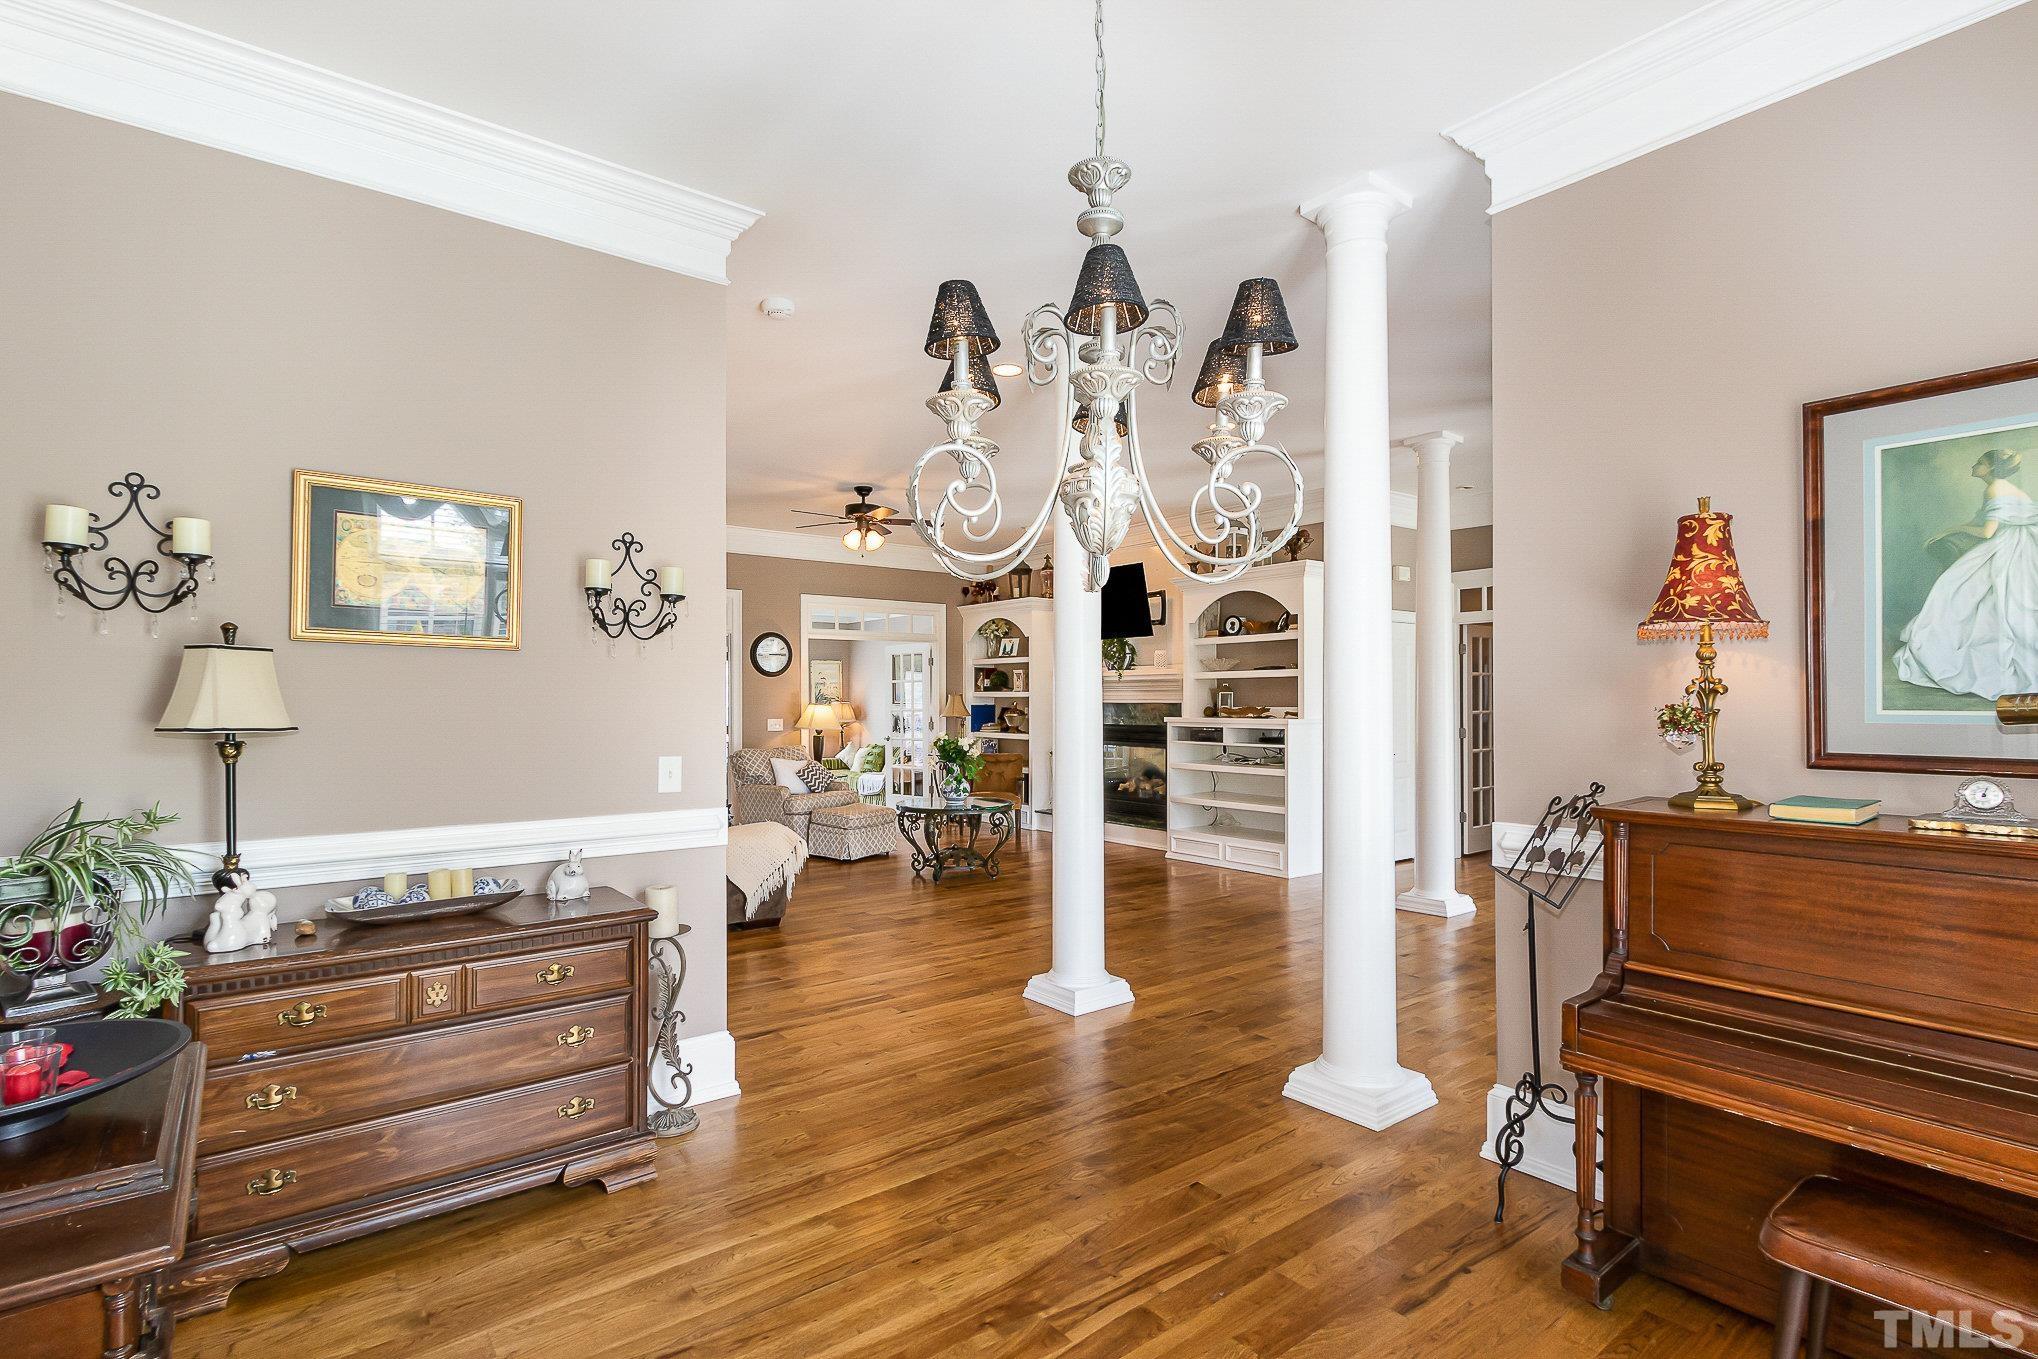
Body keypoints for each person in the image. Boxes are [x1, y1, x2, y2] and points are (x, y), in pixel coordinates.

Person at [1893, 447, 2038, 699]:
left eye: (1979, 462)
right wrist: (1950, 530)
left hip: (2009, 549)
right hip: (2019, 544)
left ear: (1991, 468)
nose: (1974, 466)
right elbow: (1981, 520)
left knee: (1956, 590)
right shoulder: (1999, 487)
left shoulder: (1995, 488)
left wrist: (1954, 529)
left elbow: (1988, 533)